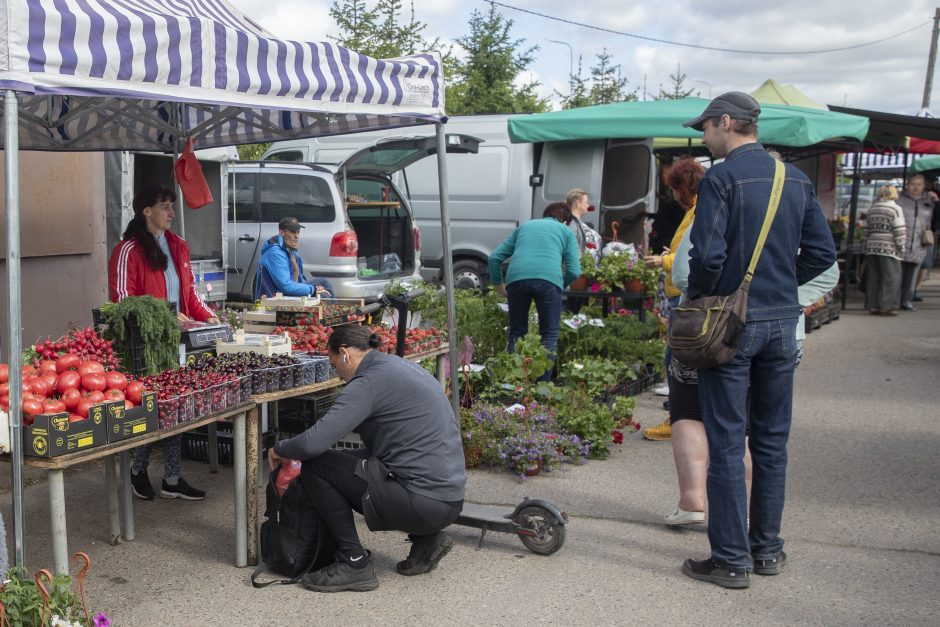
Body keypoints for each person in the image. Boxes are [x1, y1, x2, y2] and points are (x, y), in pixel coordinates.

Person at [680, 92, 836, 588]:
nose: (703, 137)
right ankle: (766, 550)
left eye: (706, 128)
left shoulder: (722, 177)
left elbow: (704, 255)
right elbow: (821, 254)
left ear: (727, 122)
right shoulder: (797, 178)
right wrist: (780, 286)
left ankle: (730, 559)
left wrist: (709, 296)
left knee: (726, 440)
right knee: (771, 441)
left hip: (734, 323)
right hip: (781, 322)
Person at [267, 325, 466, 592]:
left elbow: (313, 443)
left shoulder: (368, 382)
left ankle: (355, 564)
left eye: (334, 364)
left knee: (316, 466)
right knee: (337, 463)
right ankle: (427, 540)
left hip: (420, 500)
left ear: (345, 354)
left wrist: (279, 448)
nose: (338, 375)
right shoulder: (399, 366)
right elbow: (387, 452)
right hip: (449, 500)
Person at [108, 184, 215, 501]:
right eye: (165, 206)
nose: (171, 213)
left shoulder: (179, 246)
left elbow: (191, 296)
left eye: (171, 206)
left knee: (176, 407)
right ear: (147, 211)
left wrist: (211, 318)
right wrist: (166, 317)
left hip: (178, 344)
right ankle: (138, 471)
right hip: (144, 346)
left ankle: (172, 477)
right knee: (149, 408)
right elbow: (123, 303)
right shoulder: (127, 250)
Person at [642, 157, 705, 439]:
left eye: (675, 189)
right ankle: (682, 417)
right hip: (681, 292)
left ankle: (678, 420)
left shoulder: (700, 209)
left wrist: (664, 260)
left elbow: (694, 253)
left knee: (677, 359)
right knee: (678, 358)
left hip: (685, 293)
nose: (674, 196)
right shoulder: (695, 209)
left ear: (684, 187)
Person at [488, 203, 581, 381]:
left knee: (516, 331)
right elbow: (574, 271)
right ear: (566, 220)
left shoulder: (525, 226)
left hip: (517, 280)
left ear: (544, 215)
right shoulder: (565, 231)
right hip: (549, 281)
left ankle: (513, 381)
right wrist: (559, 284)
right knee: (549, 334)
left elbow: (494, 257)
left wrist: (499, 286)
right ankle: (541, 386)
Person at [254, 217, 335, 299]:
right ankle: (334, 310)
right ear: (282, 233)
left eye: (298, 232)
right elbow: (286, 286)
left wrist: (315, 288)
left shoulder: (291, 250)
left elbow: (300, 280)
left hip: (288, 291)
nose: (296, 236)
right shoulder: (275, 253)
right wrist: (313, 289)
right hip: (275, 296)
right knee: (323, 294)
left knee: (322, 283)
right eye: (292, 232)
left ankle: (334, 310)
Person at [863, 185, 906, 316]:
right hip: (889, 247)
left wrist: (865, 245)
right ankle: (886, 307)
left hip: (872, 246)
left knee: (873, 277)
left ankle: (873, 306)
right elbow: (899, 231)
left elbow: (866, 230)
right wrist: (901, 248)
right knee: (891, 278)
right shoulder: (895, 209)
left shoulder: (873, 208)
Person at [896, 175, 934, 311]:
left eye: (919, 184)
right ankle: (894, 300)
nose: (916, 187)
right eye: (913, 184)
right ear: (907, 185)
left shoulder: (929, 201)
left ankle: (906, 300)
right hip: (900, 241)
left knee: (912, 274)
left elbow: (936, 222)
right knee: (897, 273)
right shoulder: (898, 199)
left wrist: (938, 203)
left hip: (919, 243)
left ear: (924, 186)